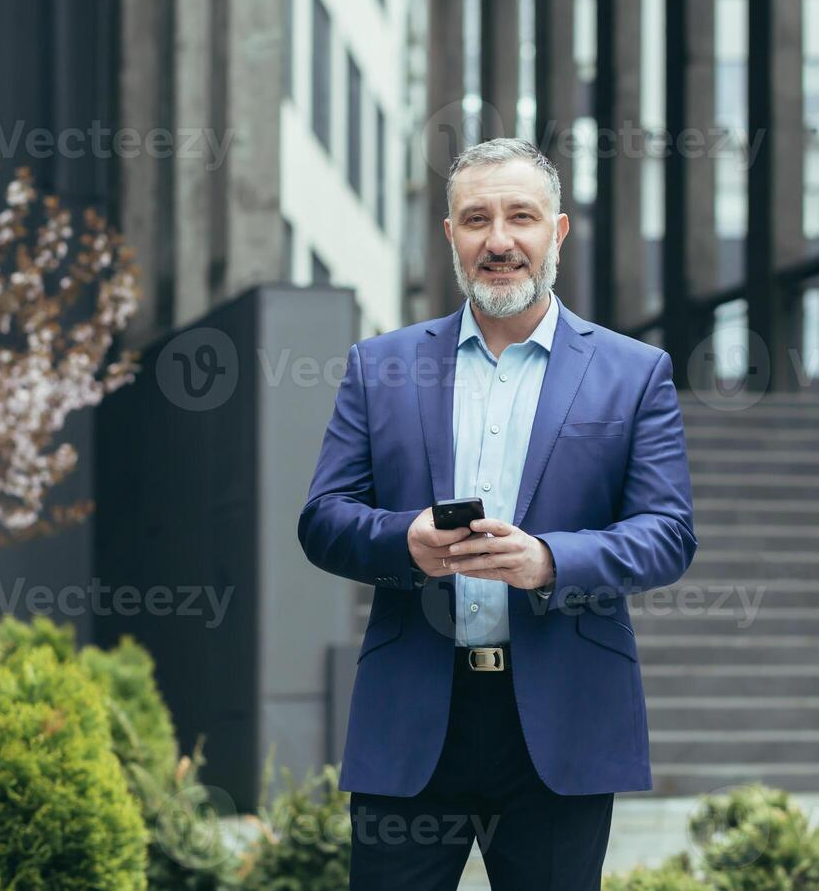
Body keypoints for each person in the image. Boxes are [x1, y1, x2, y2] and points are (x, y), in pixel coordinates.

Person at [298, 137, 697, 890]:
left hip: (562, 722)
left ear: (558, 231)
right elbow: (323, 518)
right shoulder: (380, 367)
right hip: (412, 714)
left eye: (522, 217)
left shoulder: (633, 374)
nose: (500, 240)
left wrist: (551, 560)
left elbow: (667, 535)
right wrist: (402, 540)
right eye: (476, 219)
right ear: (450, 235)